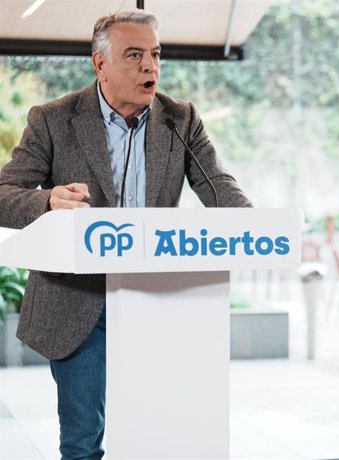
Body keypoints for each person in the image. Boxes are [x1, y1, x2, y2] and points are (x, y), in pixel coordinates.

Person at [0, 9, 251, 459]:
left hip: (154, 300)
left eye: (155, 55)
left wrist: (256, 226)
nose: (149, 66)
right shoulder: (53, 119)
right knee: (82, 442)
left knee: (158, 433)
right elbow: (3, 192)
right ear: (100, 64)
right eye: (134, 55)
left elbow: (218, 187)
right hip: (78, 303)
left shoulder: (181, 119)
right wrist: (48, 202)